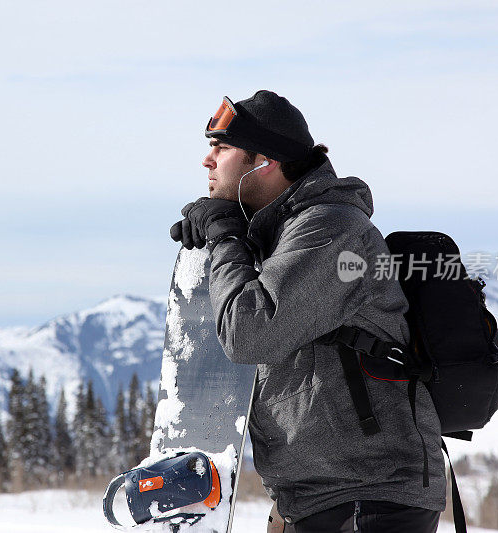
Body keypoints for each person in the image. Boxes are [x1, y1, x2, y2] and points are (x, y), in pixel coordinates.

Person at [170, 90, 446, 533]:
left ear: (267, 161)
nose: (207, 160)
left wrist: (225, 238)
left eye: (221, 147)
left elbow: (250, 333)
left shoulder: (331, 229)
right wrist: (225, 237)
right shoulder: (279, 238)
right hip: (314, 498)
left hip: (369, 495)